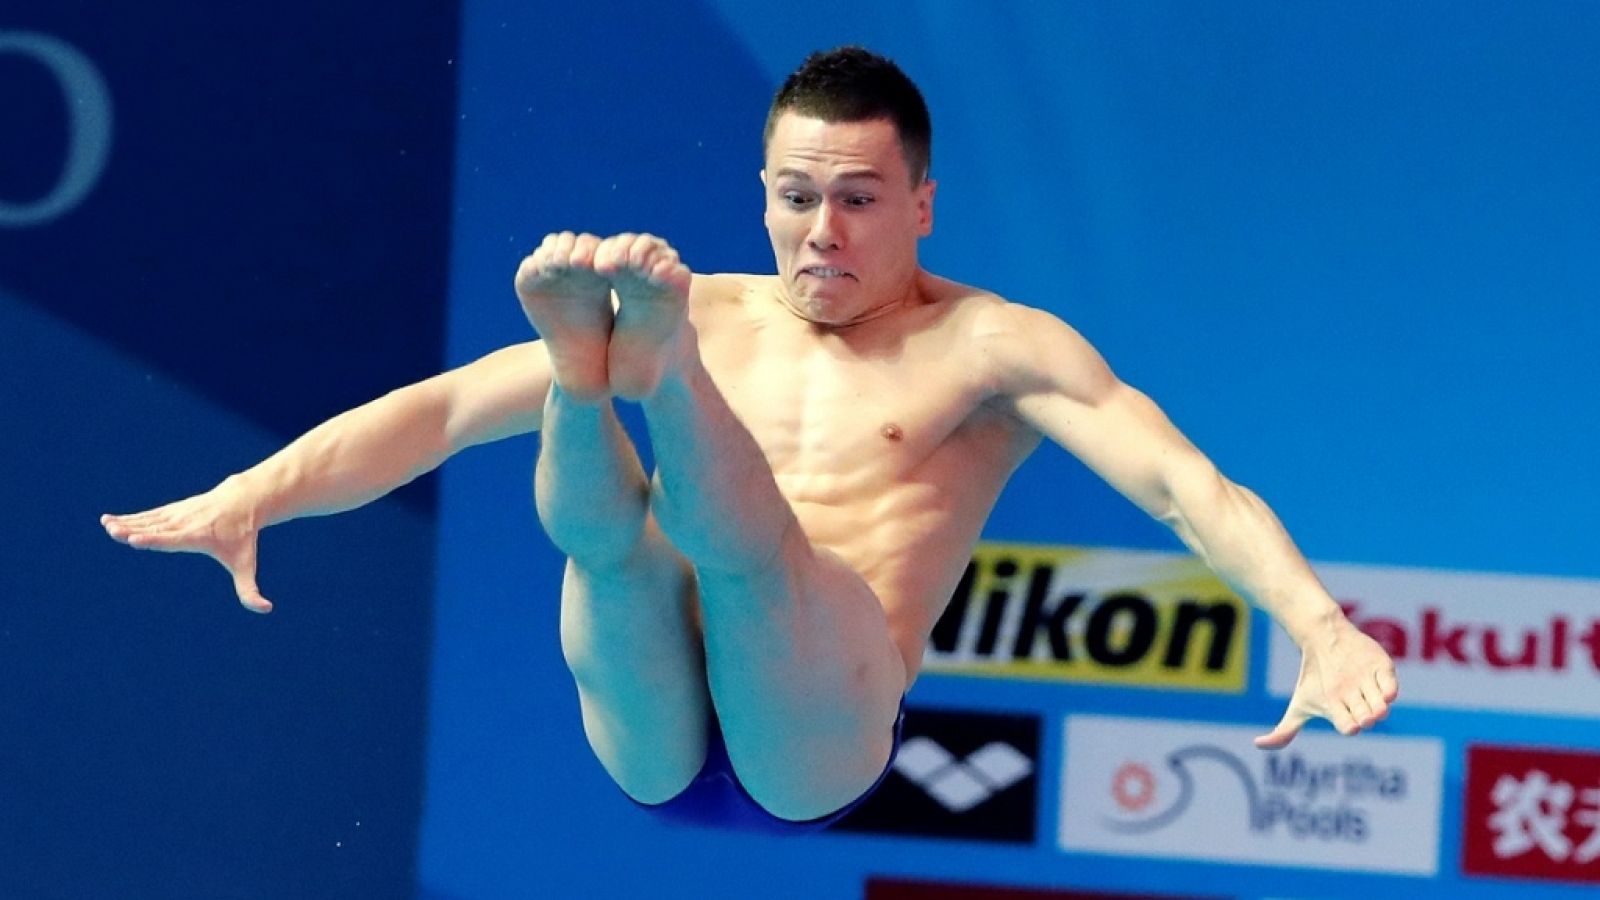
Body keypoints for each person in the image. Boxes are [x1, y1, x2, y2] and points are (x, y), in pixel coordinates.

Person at [101, 46, 1398, 833]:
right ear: (761, 195)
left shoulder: (997, 350)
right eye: (793, 198)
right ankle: (583, 377)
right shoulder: (705, 302)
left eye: (857, 200)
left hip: (814, 735)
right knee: (611, 547)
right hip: (647, 710)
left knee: (759, 550)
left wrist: (1319, 623)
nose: (821, 230)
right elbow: (437, 415)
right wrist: (253, 494)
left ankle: (615, 379)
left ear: (924, 205)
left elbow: (1182, 485)